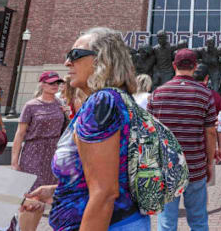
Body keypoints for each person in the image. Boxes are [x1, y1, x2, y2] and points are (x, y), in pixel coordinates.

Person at [25, 27, 150, 230]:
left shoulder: (103, 102)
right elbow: (113, 175)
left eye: (75, 54)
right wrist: (58, 191)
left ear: (103, 60)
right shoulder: (116, 99)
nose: (67, 62)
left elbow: (105, 192)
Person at [147, 49, 217, 231]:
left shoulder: (157, 94)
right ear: (195, 67)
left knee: (167, 223)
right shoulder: (205, 94)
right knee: (199, 221)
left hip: (167, 169)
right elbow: (210, 132)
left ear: (173, 66)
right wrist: (210, 164)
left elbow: (148, 135)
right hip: (195, 167)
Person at [11, 71, 67, 231]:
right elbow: (20, 134)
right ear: (42, 84)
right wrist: (14, 161)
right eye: (51, 83)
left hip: (54, 152)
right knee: (32, 196)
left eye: (57, 83)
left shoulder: (61, 104)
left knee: (48, 194)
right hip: (33, 152)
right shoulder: (31, 105)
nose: (55, 85)